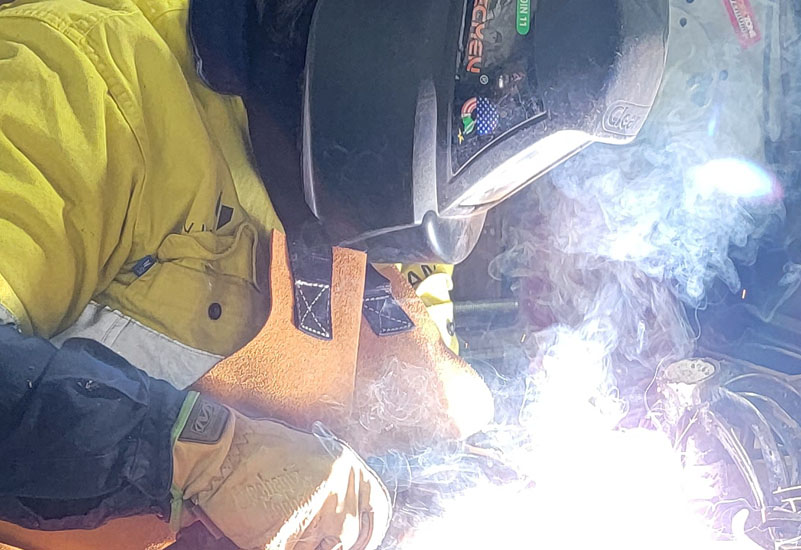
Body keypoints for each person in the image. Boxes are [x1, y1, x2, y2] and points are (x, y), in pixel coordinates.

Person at [0, 0, 667, 546]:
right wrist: (194, 454)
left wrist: (440, 472)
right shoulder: (80, 80)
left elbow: (397, 382)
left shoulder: (371, 191)